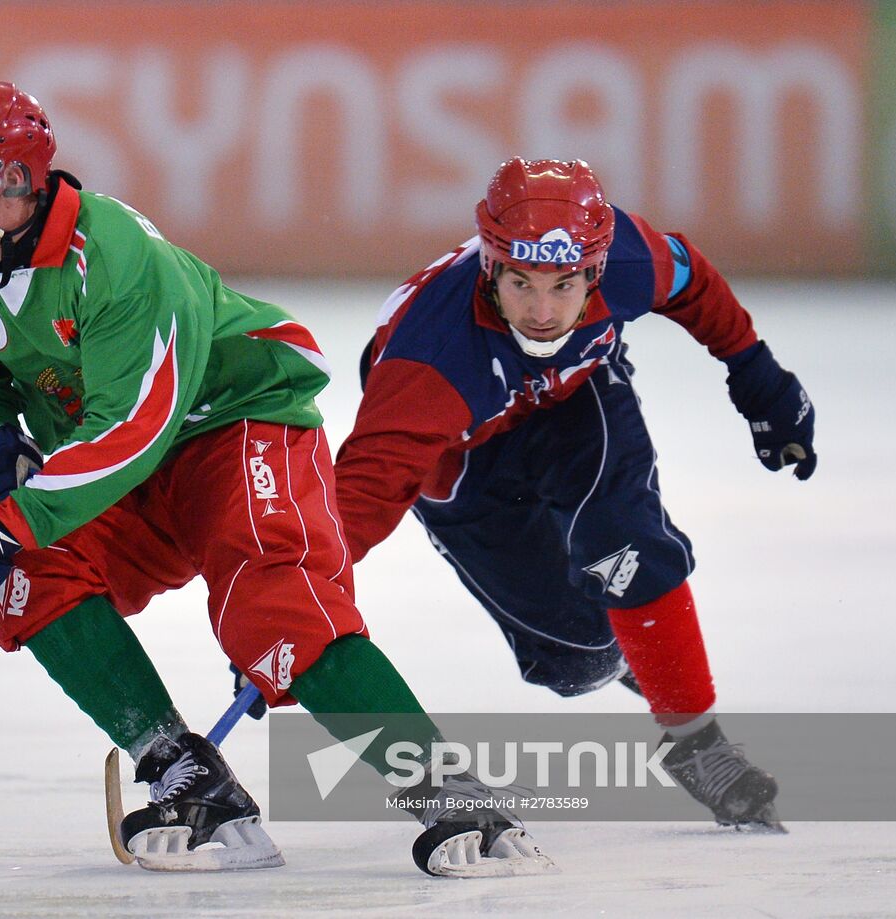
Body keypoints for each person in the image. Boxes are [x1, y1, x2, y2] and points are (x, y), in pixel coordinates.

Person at [0, 82, 555, 877]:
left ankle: (449, 790)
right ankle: (187, 771)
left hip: (235, 422)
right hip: (121, 460)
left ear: (7, 186)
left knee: (274, 605)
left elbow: (132, 427)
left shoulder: (114, 257)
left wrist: (5, 519)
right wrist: (1, 457)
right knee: (22, 575)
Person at [334, 157, 812, 829]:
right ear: (489, 269)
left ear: (595, 271)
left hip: (572, 399)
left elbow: (691, 281)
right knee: (576, 659)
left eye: (564, 286)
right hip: (460, 457)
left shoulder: (626, 258)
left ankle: (697, 741)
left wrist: (757, 377)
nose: (542, 311)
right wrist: (292, 607)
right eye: (521, 283)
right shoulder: (428, 366)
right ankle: (634, 653)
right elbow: (353, 506)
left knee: (626, 544)